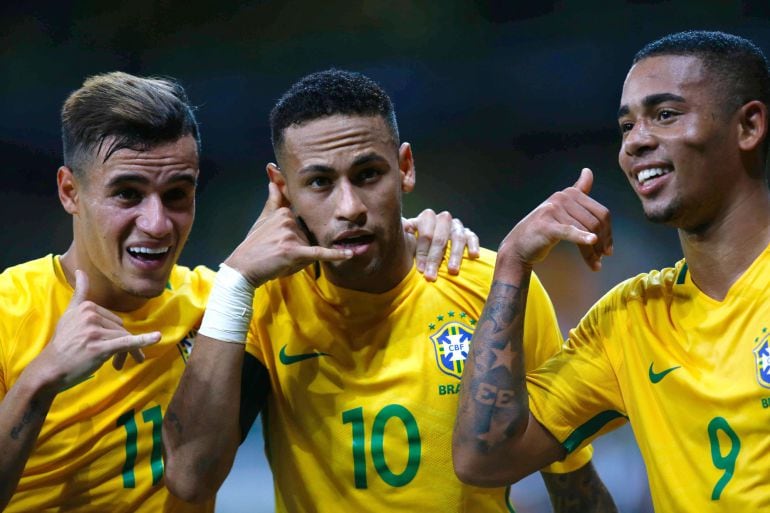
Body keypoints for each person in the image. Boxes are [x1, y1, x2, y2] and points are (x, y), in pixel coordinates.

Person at [0, 71, 466, 512]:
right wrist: (40, 380)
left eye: (178, 193)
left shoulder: (222, 307)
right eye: (127, 194)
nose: (157, 223)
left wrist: (422, 234)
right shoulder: (8, 311)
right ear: (69, 191)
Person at [162, 69, 617, 512]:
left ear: (405, 168)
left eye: (367, 175)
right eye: (320, 182)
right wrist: (235, 281)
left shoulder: (491, 287)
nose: (350, 208)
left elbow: (570, 478)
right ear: (282, 190)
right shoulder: (264, 301)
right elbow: (189, 477)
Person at [453, 30, 770, 513]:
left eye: (665, 115)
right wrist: (512, 263)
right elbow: (484, 458)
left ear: (748, 126)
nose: (637, 142)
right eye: (627, 126)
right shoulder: (629, 320)